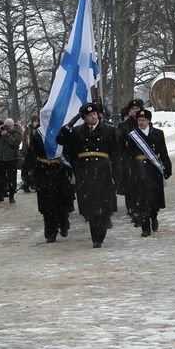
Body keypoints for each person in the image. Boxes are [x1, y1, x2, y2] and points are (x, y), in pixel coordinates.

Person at [56, 102, 120, 248]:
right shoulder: (78, 132)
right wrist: (69, 125)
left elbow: (116, 154)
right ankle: (95, 238)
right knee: (90, 207)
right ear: (84, 118)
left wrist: (117, 174)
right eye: (89, 115)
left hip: (103, 172)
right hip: (85, 172)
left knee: (103, 207)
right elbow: (60, 139)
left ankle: (102, 229)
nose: (93, 117)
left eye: (94, 114)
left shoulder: (109, 130)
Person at [127, 109, 172, 237]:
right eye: (139, 120)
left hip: (154, 170)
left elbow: (163, 152)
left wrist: (167, 168)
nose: (141, 122)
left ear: (149, 121)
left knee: (154, 198)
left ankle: (154, 216)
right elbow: (128, 155)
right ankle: (145, 227)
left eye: (143, 120)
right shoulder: (132, 136)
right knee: (142, 199)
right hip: (139, 169)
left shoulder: (158, 133)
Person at [27, 129, 71, 243]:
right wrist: (30, 172)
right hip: (43, 172)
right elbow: (32, 153)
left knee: (61, 200)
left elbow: (67, 149)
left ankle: (63, 223)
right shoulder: (38, 134)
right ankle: (50, 232)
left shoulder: (60, 130)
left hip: (59, 170)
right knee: (47, 205)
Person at [0, 118, 22, 204]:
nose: (7, 128)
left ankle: (11, 196)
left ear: (12, 126)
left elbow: (15, 142)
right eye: (6, 125)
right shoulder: (0, 132)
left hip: (11, 159)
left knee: (12, 178)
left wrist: (6, 135)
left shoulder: (16, 133)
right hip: (0, 159)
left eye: (8, 126)